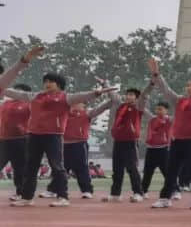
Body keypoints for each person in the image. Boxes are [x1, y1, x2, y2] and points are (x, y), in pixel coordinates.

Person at [2, 46, 115, 207]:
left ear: (59, 84)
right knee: (31, 167)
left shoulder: (65, 98)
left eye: (51, 82)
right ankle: (27, 197)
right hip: (34, 135)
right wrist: (4, 88)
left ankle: (63, 197)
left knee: (57, 166)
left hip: (53, 136)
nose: (47, 84)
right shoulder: (35, 96)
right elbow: (13, 92)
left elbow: (83, 95)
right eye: (46, 81)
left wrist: (97, 92)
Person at [149, 62, 191, 210]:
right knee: (172, 170)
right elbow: (165, 90)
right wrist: (157, 75)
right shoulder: (179, 100)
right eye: (188, 85)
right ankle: (165, 198)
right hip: (177, 140)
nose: (189, 87)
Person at [52, 96, 110, 199]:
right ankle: (53, 189)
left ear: (83, 105)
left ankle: (87, 190)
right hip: (63, 144)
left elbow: (102, 107)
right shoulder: (65, 113)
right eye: (73, 102)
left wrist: (110, 95)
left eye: (77, 102)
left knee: (81, 168)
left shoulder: (88, 113)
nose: (74, 104)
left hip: (79, 144)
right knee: (60, 168)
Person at [102, 83, 152, 202]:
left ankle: (138, 193)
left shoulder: (138, 107)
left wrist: (152, 83)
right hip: (118, 141)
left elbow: (144, 96)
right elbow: (114, 96)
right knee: (117, 169)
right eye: (127, 94)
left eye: (131, 95)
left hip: (130, 141)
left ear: (136, 98)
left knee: (132, 168)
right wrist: (105, 84)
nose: (128, 97)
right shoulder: (121, 106)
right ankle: (115, 194)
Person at [1, 83, 33, 200]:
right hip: (4, 140)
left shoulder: (29, 105)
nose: (14, 93)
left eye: (18, 91)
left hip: (21, 140)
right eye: (14, 90)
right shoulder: (5, 104)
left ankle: (21, 193)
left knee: (19, 168)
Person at [140, 100, 172, 197]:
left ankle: (175, 190)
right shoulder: (152, 118)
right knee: (147, 172)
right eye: (157, 109)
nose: (158, 111)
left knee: (167, 172)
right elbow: (143, 109)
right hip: (151, 149)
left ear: (166, 110)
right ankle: (143, 191)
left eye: (161, 109)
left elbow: (182, 116)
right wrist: (142, 99)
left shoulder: (170, 120)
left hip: (163, 150)